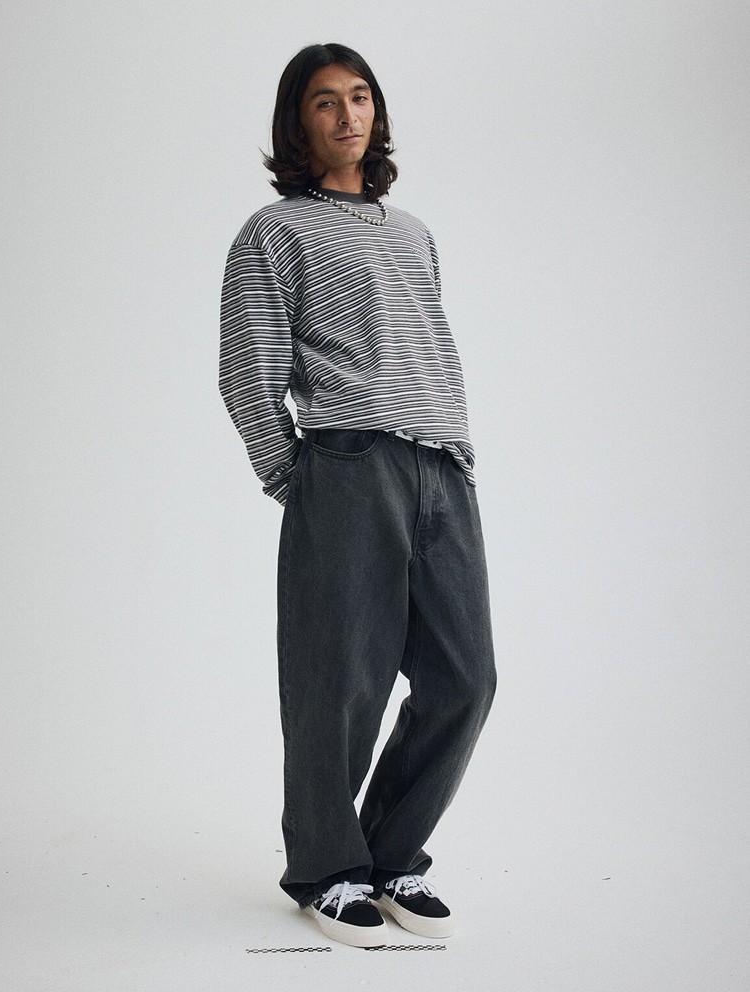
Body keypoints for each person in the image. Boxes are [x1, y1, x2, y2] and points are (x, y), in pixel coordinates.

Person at [219, 42, 496, 948]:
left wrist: (452, 450)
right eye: (324, 102)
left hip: (441, 466)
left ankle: (386, 854)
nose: (347, 115)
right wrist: (300, 478)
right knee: (339, 682)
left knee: (465, 679)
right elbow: (247, 370)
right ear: (297, 123)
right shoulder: (274, 233)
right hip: (346, 463)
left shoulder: (412, 231)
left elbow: (430, 345)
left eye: (361, 97)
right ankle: (324, 870)